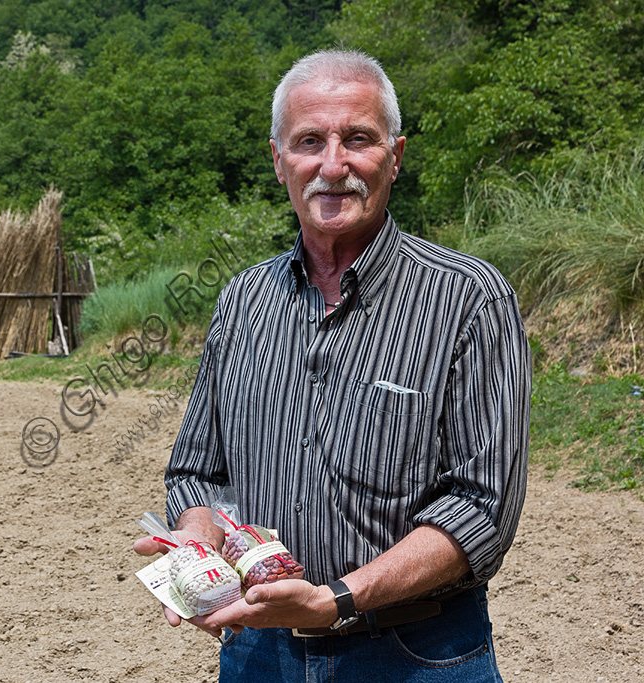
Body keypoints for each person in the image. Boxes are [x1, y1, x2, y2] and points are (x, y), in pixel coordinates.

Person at [133, 49, 530, 681]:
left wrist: (334, 600)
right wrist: (198, 543)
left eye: (358, 140)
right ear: (279, 160)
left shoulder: (470, 299)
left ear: (394, 157)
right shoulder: (242, 300)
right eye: (309, 141)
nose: (333, 165)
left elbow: (481, 507)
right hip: (259, 653)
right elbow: (198, 470)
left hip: (414, 653)